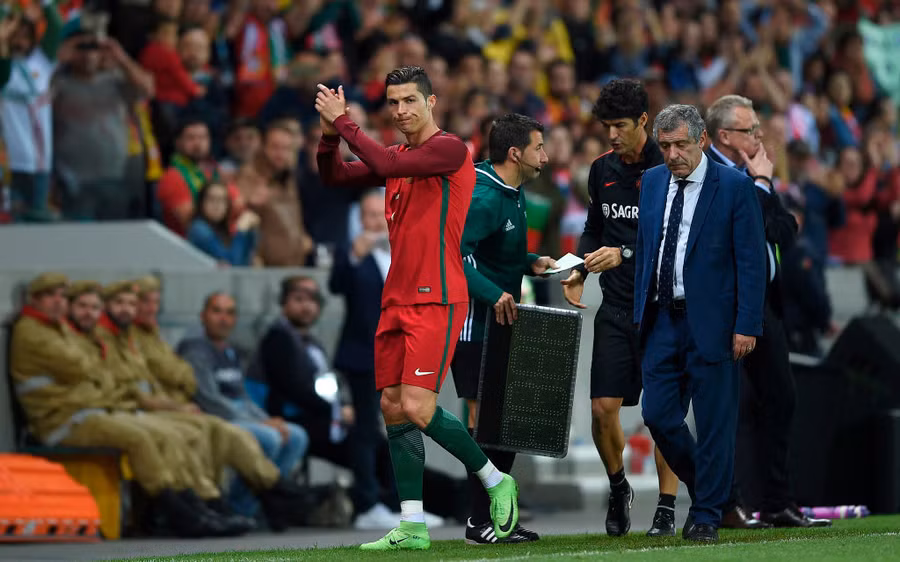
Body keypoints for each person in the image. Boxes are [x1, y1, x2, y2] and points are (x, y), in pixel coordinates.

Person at [315, 66, 519, 550]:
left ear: (431, 102)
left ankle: (496, 480)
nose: (401, 110)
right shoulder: (401, 159)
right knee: (392, 406)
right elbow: (334, 174)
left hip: (438, 297)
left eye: (410, 100)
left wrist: (343, 122)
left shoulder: (450, 150)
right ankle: (412, 524)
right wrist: (328, 137)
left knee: (417, 406)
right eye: (393, 102)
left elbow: (382, 163)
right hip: (396, 298)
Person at [634, 104, 766, 542]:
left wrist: (747, 323)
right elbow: (648, 248)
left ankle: (706, 514)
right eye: (665, 146)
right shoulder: (653, 181)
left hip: (714, 323)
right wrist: (639, 311)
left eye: (681, 145)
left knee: (714, 425)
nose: (672, 155)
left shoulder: (734, 187)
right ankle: (718, 496)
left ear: (703, 140)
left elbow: (751, 261)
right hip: (661, 319)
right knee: (657, 415)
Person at [561, 79, 680, 538]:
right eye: (607, 126)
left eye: (621, 126)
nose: (611, 135)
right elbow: (595, 228)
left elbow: (672, 239)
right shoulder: (601, 170)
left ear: (643, 122)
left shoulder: (669, 168)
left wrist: (624, 254)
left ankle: (666, 507)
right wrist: (579, 267)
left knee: (663, 413)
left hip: (660, 309)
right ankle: (618, 487)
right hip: (614, 306)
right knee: (601, 409)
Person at [705, 94, 830, 528]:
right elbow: (740, 228)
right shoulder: (711, 173)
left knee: (781, 398)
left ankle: (778, 501)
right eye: (751, 129)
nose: (759, 136)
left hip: (764, 305)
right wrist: (760, 185)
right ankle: (728, 503)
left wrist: (762, 189)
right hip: (726, 307)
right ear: (725, 135)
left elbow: (785, 229)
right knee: (729, 407)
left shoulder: (751, 172)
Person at [452, 113, 554, 544]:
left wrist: (531, 262)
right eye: (538, 148)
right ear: (515, 153)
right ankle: (479, 521)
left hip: (502, 318)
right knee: (485, 420)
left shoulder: (512, 190)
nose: (545, 157)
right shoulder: (484, 195)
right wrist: (493, 293)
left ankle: (498, 518)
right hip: (476, 322)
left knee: (507, 420)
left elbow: (495, 251)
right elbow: (455, 255)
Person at [178, 292, 309, 520]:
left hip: (240, 413)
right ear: (203, 316)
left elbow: (243, 396)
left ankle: (255, 507)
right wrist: (260, 423)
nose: (223, 319)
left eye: (229, 313)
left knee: (296, 436)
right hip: (214, 417)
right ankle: (237, 508)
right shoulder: (195, 350)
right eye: (217, 311)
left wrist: (266, 419)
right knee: (269, 438)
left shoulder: (230, 351)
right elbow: (209, 399)